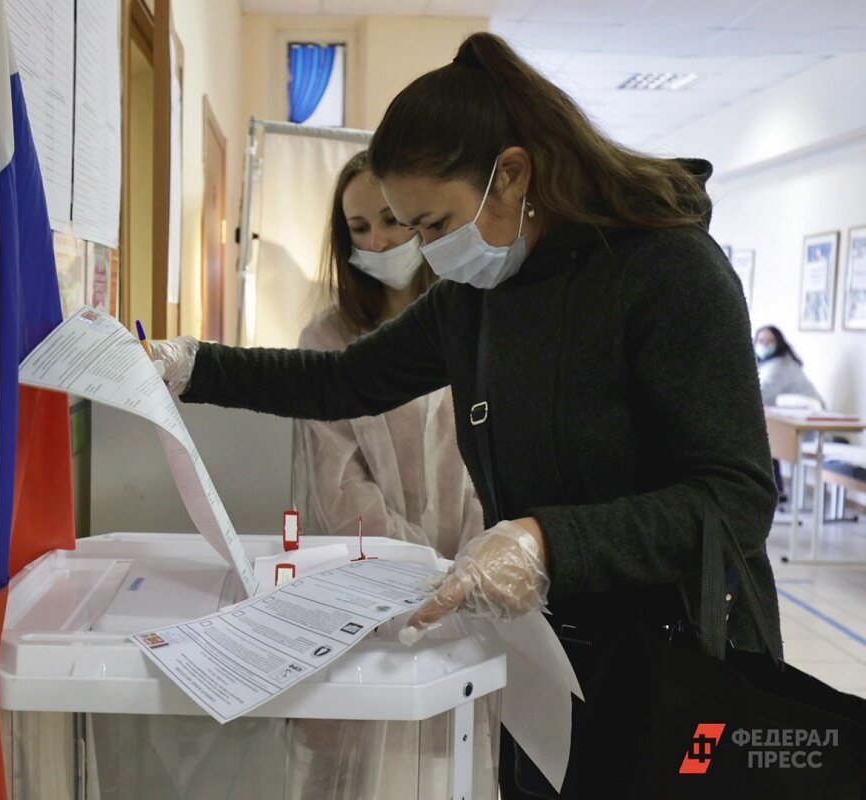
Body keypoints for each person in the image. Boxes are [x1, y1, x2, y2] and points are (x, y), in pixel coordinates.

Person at [152, 32, 780, 797]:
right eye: (407, 225)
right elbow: (344, 381)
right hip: (550, 655)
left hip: (676, 660)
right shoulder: (478, 298)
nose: (418, 250)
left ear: (512, 175)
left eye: (433, 224)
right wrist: (190, 368)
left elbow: (736, 498)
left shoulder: (668, 272)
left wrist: (548, 540)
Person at [294, 150, 485, 560]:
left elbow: (494, 461)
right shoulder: (327, 337)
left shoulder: (473, 319)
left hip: (478, 570)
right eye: (359, 228)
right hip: (373, 570)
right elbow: (340, 484)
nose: (377, 243)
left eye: (392, 220)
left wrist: (471, 561)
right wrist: (422, 564)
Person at [754, 324, 823, 502]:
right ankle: (775, 489)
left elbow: (760, 394)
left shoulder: (781, 365)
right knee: (765, 438)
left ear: (779, 343)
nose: (764, 345)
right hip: (788, 420)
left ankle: (775, 491)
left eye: (770, 341)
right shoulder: (767, 364)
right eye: (761, 341)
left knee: (763, 439)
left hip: (809, 424)